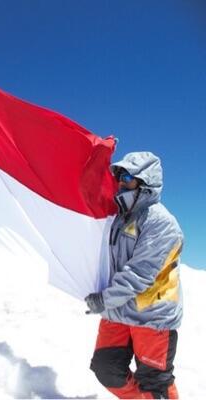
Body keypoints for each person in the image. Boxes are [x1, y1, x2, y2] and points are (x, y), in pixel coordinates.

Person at [85, 152, 183, 399]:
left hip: (151, 315)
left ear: (145, 182)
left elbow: (139, 273)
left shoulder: (161, 222)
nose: (120, 182)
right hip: (118, 311)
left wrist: (105, 299)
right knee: (106, 369)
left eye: (128, 177)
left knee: (154, 382)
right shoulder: (118, 218)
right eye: (119, 176)